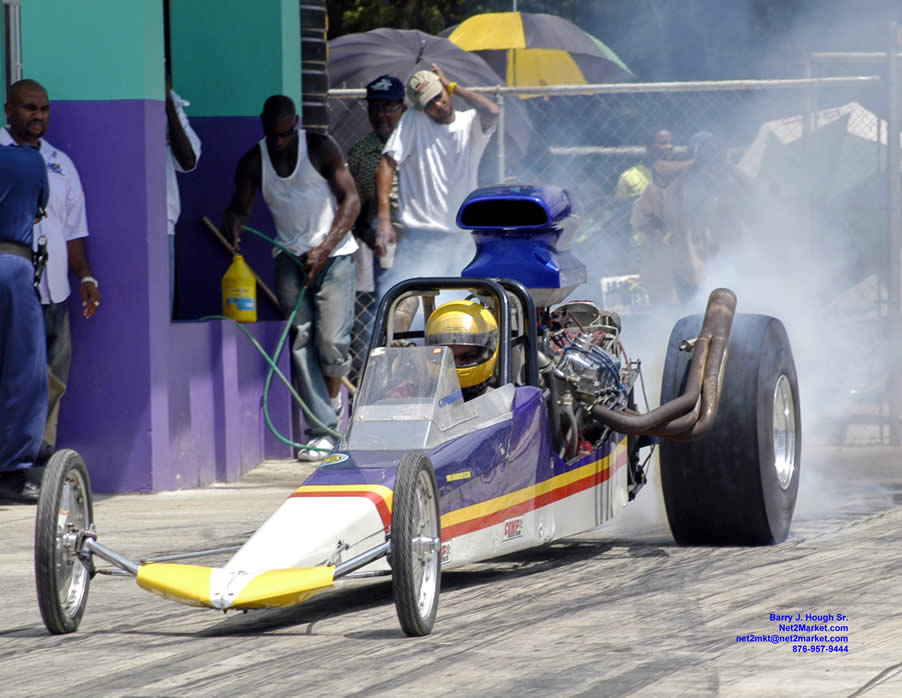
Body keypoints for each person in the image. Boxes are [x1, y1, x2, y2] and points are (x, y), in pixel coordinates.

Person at [221, 95, 360, 460]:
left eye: (285, 134)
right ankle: (323, 430)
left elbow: (352, 200)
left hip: (335, 254)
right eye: (273, 135)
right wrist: (234, 222)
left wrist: (324, 249)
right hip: (288, 256)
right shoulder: (254, 161)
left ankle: (332, 404)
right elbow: (241, 206)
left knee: (331, 341)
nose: (279, 142)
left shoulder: (320, 148)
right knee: (300, 338)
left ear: (296, 122)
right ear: (263, 126)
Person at [1, 79, 101, 462]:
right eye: (29, 108)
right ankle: (9, 463)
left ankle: (39, 462)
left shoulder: (61, 163)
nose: (37, 116)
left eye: (43, 109)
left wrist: (87, 277)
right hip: (11, 291)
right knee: (14, 381)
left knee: (52, 381)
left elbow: (72, 231)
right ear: (9, 110)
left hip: (54, 294)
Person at [374, 65, 498, 296]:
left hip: (463, 237)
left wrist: (455, 87)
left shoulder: (469, 123)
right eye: (429, 103)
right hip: (421, 238)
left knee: (462, 309)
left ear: (445, 90)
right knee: (406, 306)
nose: (437, 105)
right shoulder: (413, 119)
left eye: (439, 96)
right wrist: (384, 220)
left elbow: (492, 111)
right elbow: (387, 163)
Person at [346, 74, 410, 381]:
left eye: (388, 107)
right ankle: (382, 375)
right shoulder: (359, 153)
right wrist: (367, 234)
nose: (381, 115)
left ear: (404, 108)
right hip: (380, 248)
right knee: (384, 309)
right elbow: (354, 205)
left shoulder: (421, 143)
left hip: (421, 237)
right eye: (375, 108)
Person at [0, 143, 50, 502]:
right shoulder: (27, 159)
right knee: (23, 372)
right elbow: (37, 211)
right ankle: (12, 470)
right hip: (12, 267)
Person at [165, 72, 201, 317]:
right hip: (122, 218)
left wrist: (167, 102)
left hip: (162, 221)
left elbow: (188, 160)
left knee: (161, 310)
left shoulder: (171, 106)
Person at [424, 299, 498, 401]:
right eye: (448, 358)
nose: (456, 364)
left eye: (468, 357)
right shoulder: (415, 397)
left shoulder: (506, 403)